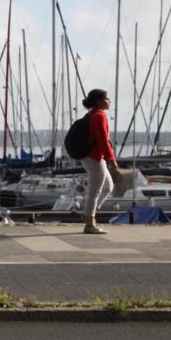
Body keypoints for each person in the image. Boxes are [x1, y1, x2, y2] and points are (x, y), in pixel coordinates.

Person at [79, 88, 119, 234]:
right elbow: (103, 140)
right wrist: (111, 160)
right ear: (99, 101)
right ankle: (89, 224)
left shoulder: (93, 114)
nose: (110, 101)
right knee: (94, 192)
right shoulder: (98, 116)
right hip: (94, 158)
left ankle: (88, 214)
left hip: (93, 157)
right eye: (107, 99)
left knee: (108, 187)